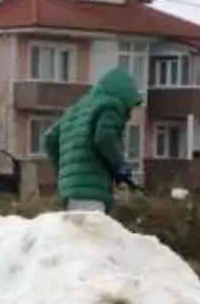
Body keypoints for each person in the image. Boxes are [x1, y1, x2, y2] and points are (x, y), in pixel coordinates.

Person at [43, 67, 142, 213]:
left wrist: (64, 171)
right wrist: (119, 165)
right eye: (131, 106)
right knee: (90, 232)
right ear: (124, 96)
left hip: (69, 189)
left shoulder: (76, 109)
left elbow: (50, 138)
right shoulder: (111, 105)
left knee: (76, 232)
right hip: (92, 191)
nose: (130, 114)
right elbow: (104, 137)